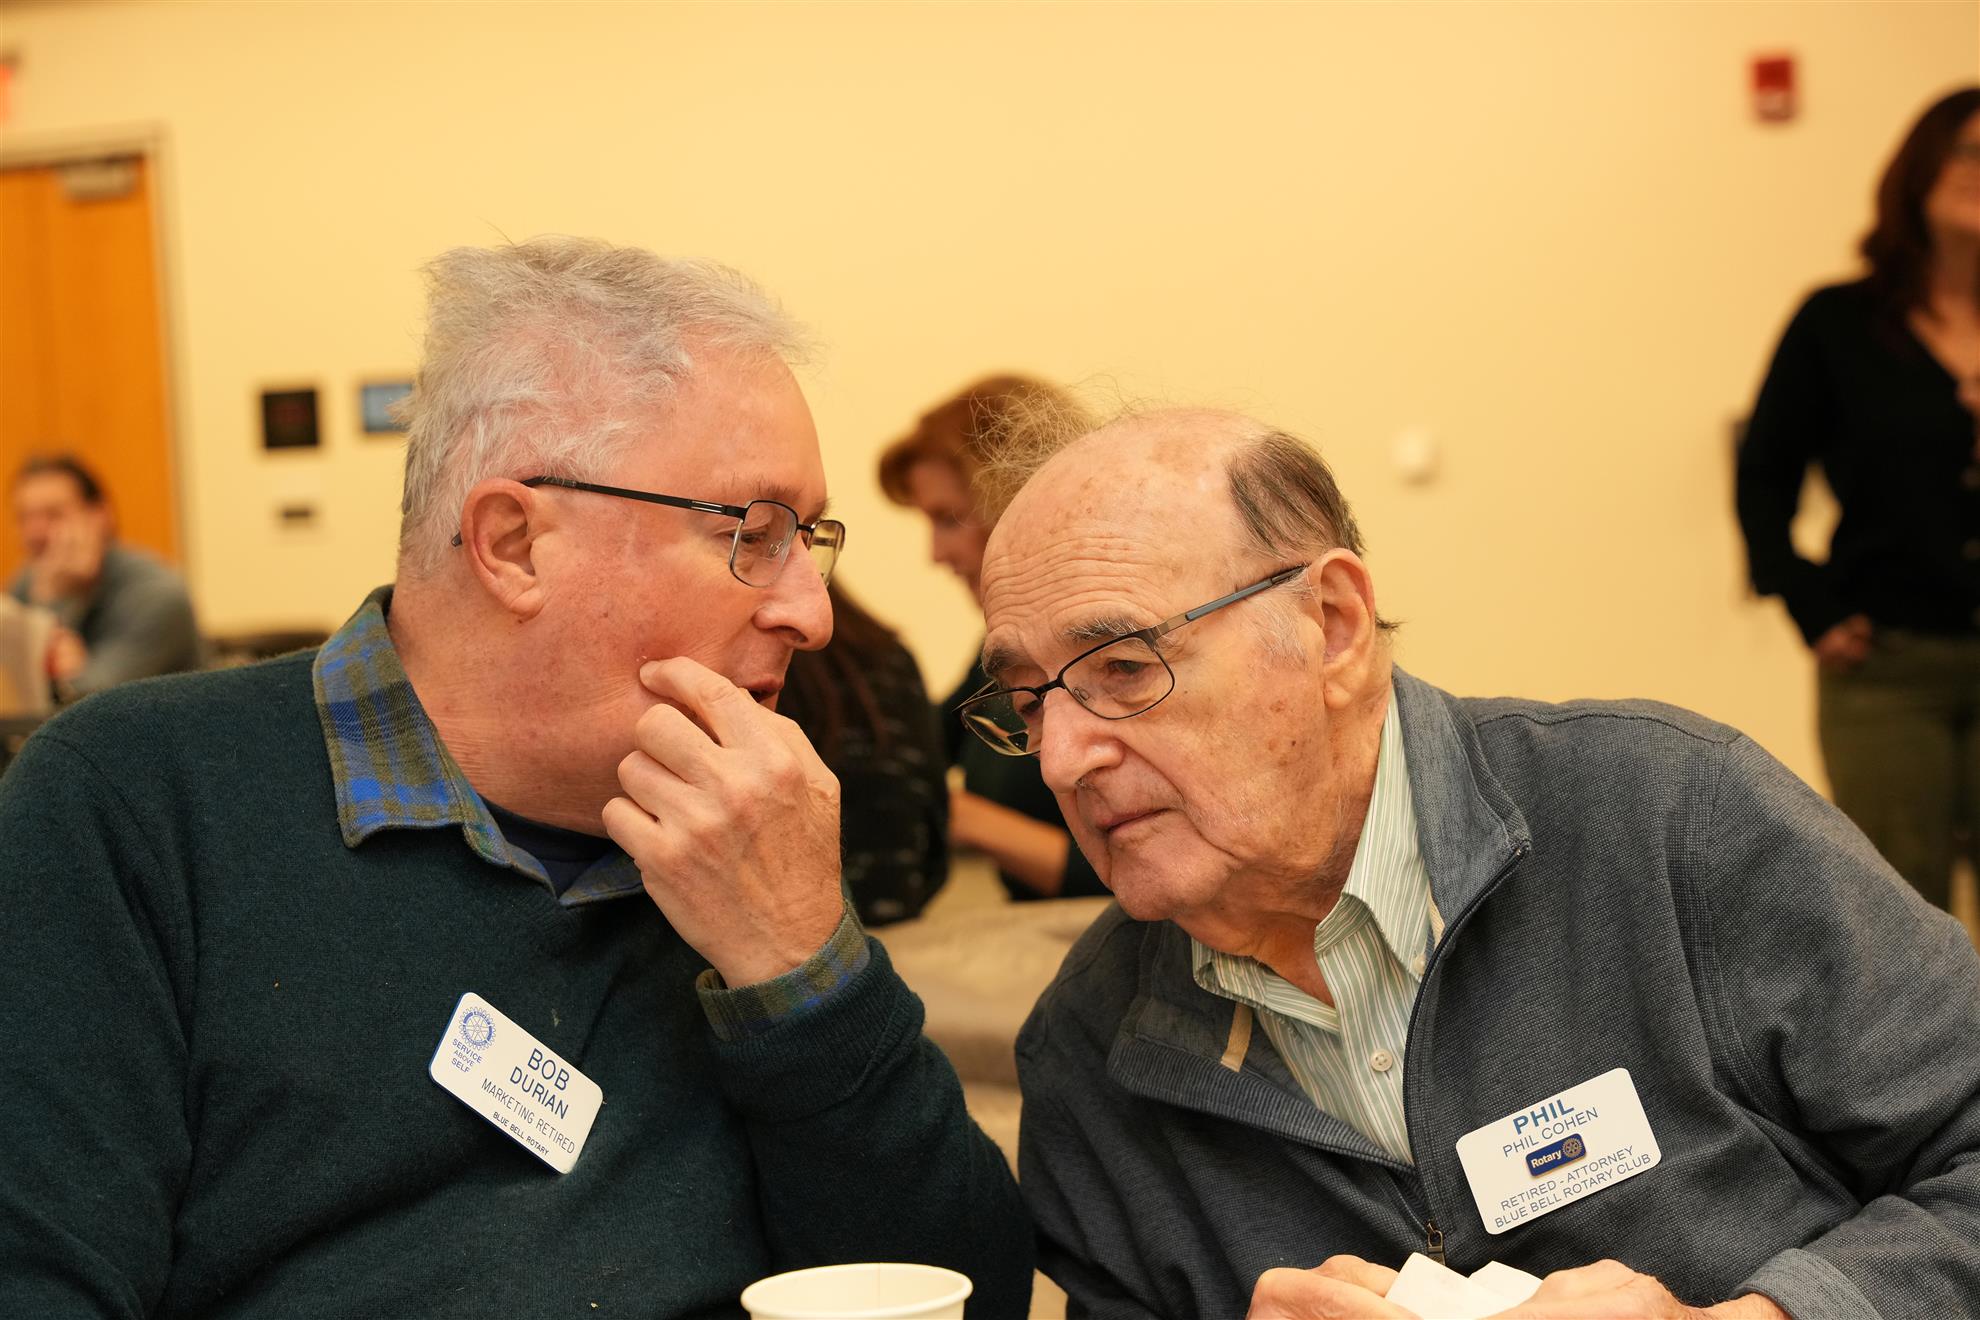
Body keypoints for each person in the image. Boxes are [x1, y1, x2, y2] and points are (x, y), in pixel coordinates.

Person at [0, 238, 1031, 1318]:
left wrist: (803, 966)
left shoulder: (741, 835)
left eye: (809, 541)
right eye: (755, 534)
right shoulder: (137, 806)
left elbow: (961, 1294)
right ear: (514, 545)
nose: (812, 613)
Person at [972, 409, 1980, 1319]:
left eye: (1123, 668)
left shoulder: (1669, 816)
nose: (1061, 759)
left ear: (1332, 627)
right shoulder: (1086, 1047)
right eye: (1028, 703)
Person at [1736, 85, 1980, 912]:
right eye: (1967, 150)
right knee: (1902, 917)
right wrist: (1807, 600)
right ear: (1921, 168)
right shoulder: (1837, 322)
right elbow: (1764, 472)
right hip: (1888, 670)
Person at [879, 375, 1108, 901]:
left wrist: (969, 818)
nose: (935, 554)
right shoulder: (1003, 652)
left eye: (948, 519)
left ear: (1011, 504)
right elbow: (918, 752)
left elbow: (1152, 871)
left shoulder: (1115, 646)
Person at [780, 581, 951, 925]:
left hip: (809, 928)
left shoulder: (757, 672)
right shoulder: (888, 653)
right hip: (904, 912)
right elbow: (936, 829)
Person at [9, 453, 201, 698]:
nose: (34, 532)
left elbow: (95, 702)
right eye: (24, 518)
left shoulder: (158, 596)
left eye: (54, 514)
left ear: (100, 515)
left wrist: (55, 600)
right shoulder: (28, 583)